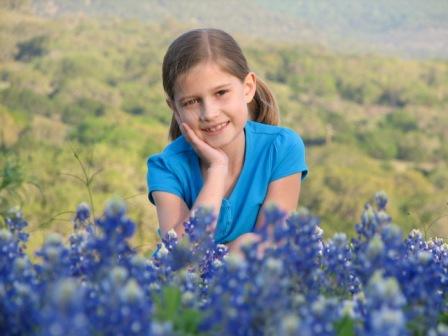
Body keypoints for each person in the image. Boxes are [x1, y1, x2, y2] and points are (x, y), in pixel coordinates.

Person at [146, 28, 308, 256]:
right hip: (181, 289)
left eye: (221, 93)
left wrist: (229, 253)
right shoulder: (166, 167)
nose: (209, 113)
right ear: (174, 108)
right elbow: (181, 257)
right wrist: (217, 171)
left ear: (247, 88)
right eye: (191, 101)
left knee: (249, 244)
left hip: (256, 288)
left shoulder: (281, 148)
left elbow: (271, 248)